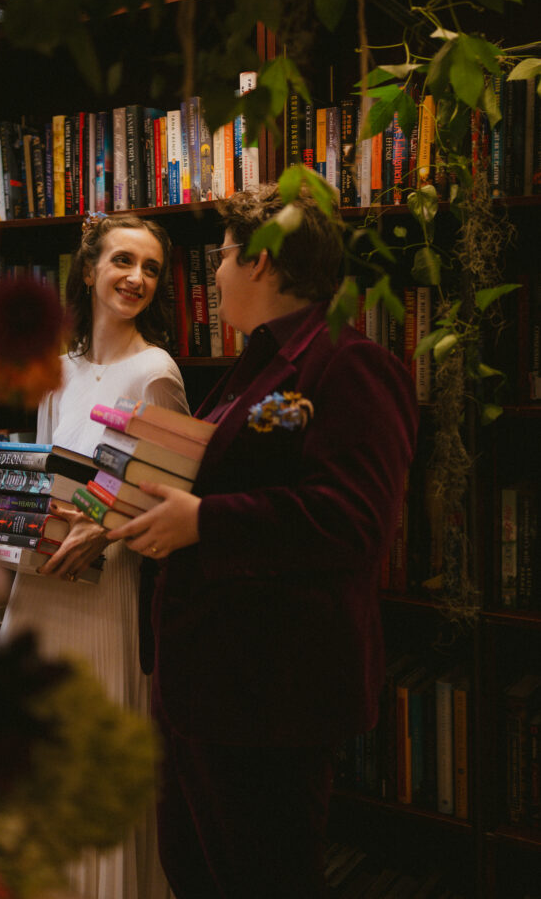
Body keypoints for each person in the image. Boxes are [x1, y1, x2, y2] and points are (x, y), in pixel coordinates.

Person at [108, 183, 420, 899]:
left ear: (261, 263)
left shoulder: (347, 362)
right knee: (197, 873)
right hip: (203, 686)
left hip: (267, 694)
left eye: (218, 257)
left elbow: (354, 519)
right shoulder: (257, 362)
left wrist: (202, 522)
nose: (211, 275)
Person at [0, 212, 187, 899]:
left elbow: (165, 493)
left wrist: (103, 526)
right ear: (88, 269)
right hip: (39, 591)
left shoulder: (154, 372)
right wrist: (7, 517)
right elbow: (54, 474)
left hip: (103, 598)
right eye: (122, 261)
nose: (136, 277)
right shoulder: (57, 369)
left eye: (151, 268)